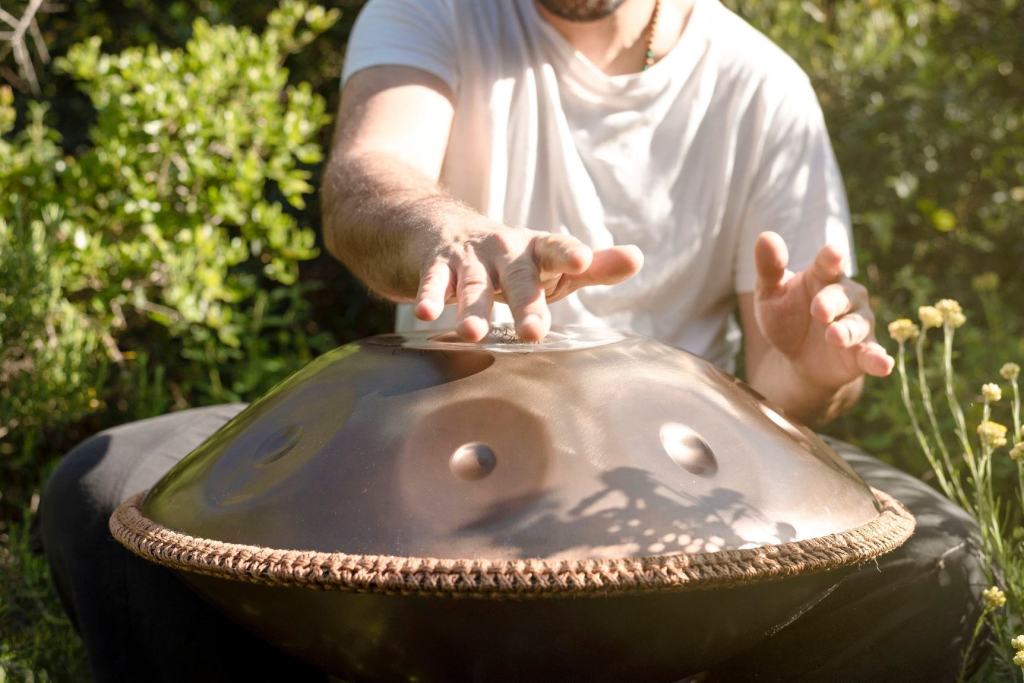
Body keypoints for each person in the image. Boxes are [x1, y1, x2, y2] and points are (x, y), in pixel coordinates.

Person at [40, 0, 986, 681]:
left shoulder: (762, 85)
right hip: (418, 459)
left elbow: (786, 398)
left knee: (938, 567)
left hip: (663, 503)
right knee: (111, 487)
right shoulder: (434, 12)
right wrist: (443, 232)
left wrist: (803, 373)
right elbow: (368, 181)